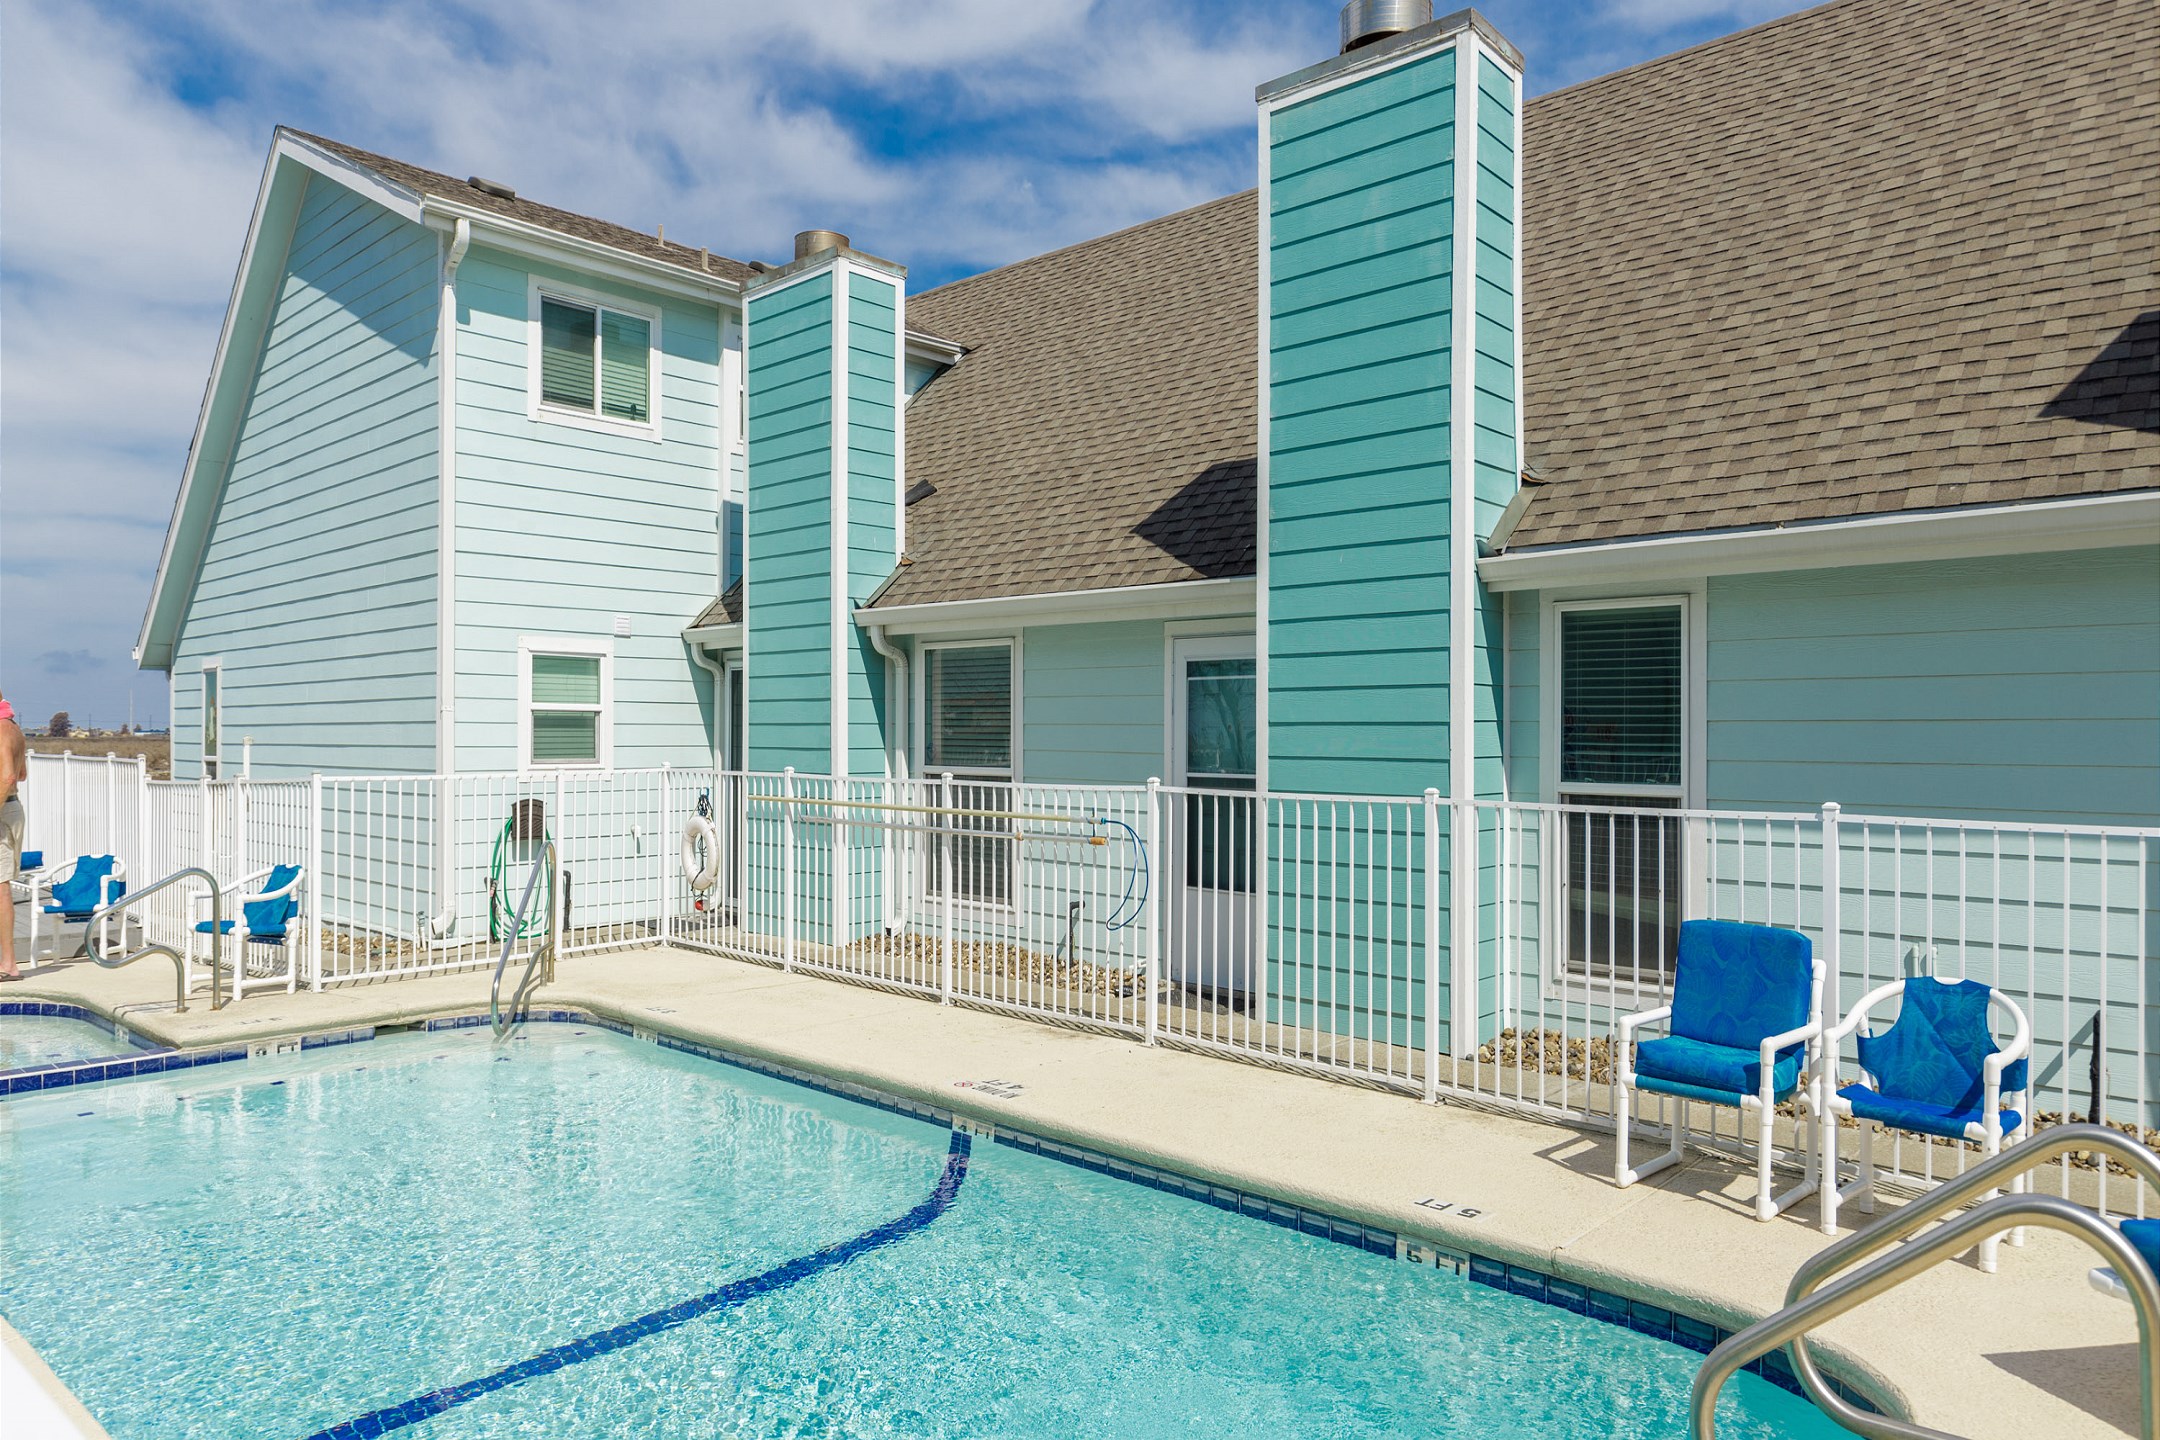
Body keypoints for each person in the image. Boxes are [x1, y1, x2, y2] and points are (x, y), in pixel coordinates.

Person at [0, 691, 24, 980]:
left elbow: (8, 777)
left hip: (3, 810)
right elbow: (22, 773)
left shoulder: (2, 729)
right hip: (11, 807)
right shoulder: (14, 729)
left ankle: (8, 965)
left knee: (1, 888)